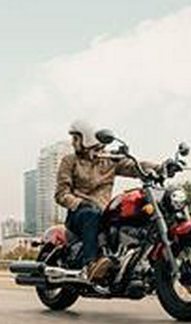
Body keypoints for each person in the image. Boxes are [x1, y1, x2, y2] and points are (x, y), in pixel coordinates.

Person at [55, 120, 158, 285]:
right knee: (91, 213)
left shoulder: (109, 160)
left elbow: (136, 166)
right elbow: (61, 194)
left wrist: (161, 167)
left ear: (87, 139)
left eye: (76, 138)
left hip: (103, 214)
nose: (73, 143)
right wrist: (79, 203)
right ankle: (91, 265)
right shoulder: (70, 161)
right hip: (79, 215)